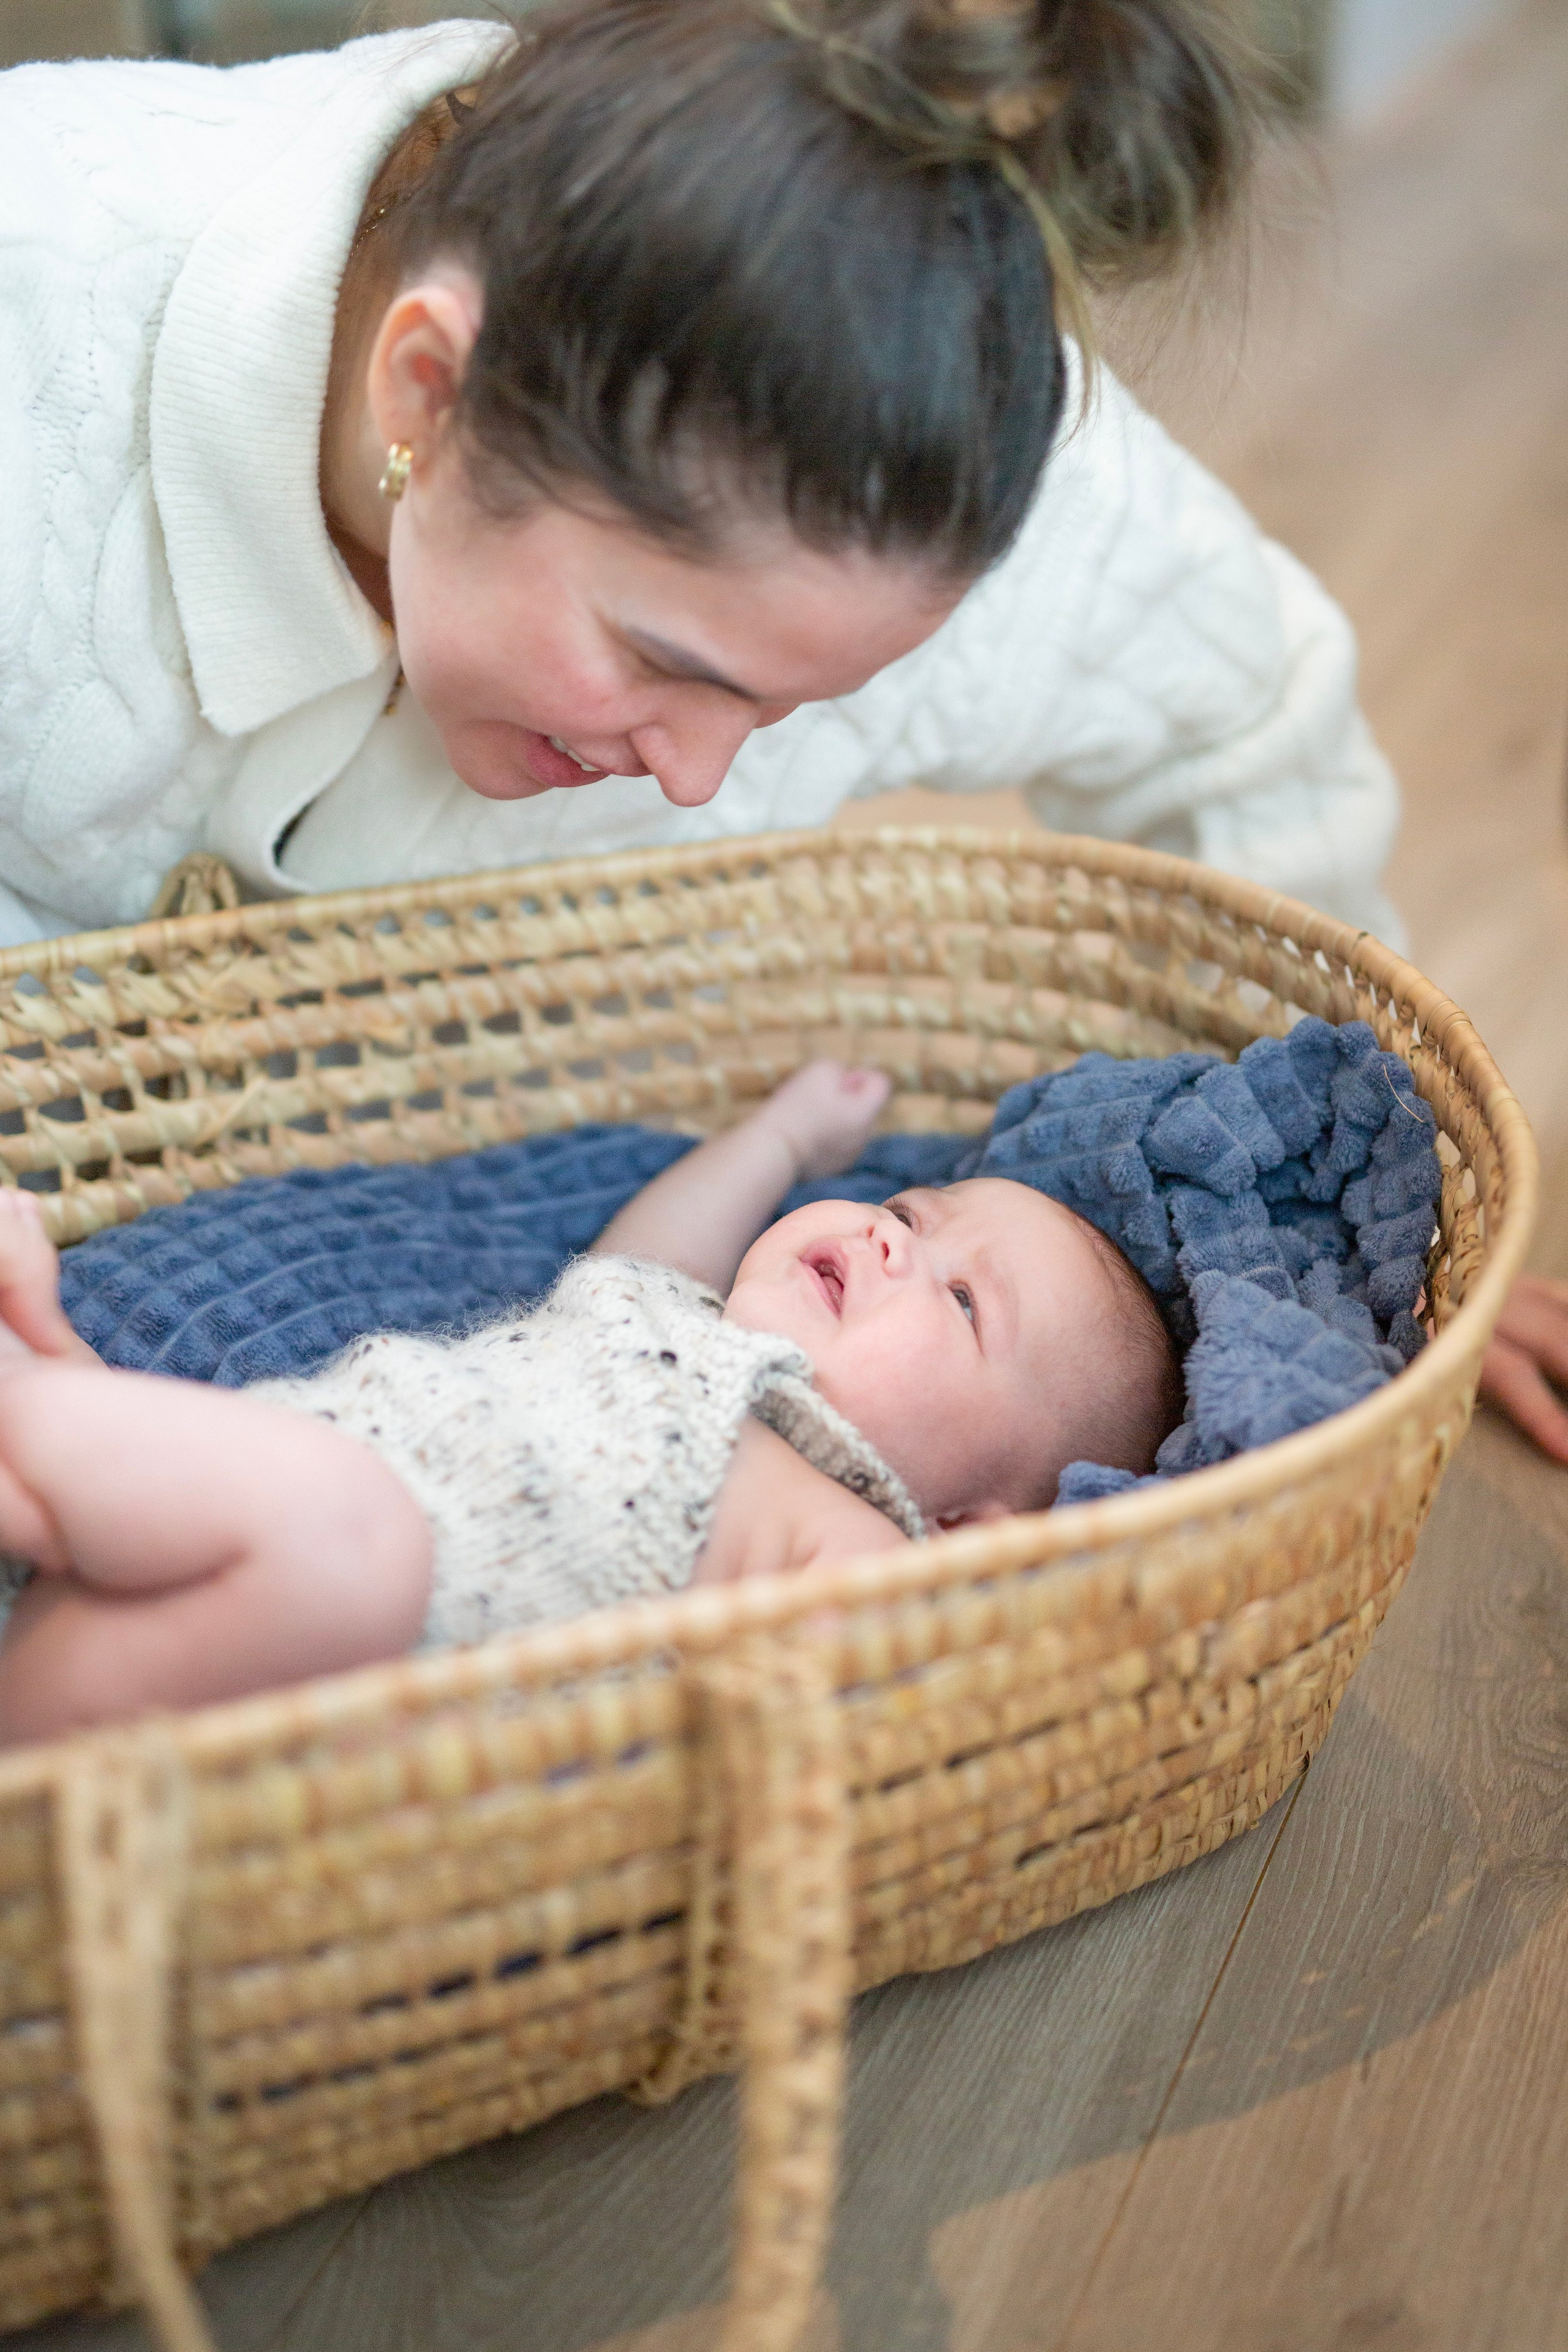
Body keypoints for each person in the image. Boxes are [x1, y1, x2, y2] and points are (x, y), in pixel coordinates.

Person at [0, 0, 1400, 952]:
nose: (696, 778)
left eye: (789, 711)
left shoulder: (918, 467)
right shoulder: (43, 273)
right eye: (665, 657)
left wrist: (1340, 1215)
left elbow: (1244, 710)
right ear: (432, 383)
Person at [0, 1063, 1180, 1745]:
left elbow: (842, 1710)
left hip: (286, 1662)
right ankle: (54, 1408)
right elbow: (658, 1243)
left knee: (349, 1533)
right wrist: (777, 1140)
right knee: (278, 1475)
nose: (887, 1237)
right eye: (916, 1214)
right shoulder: (680, 1320)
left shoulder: (854, 1540)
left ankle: (36, 1403)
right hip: (202, 1520)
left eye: (965, 1301)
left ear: (979, 1521)